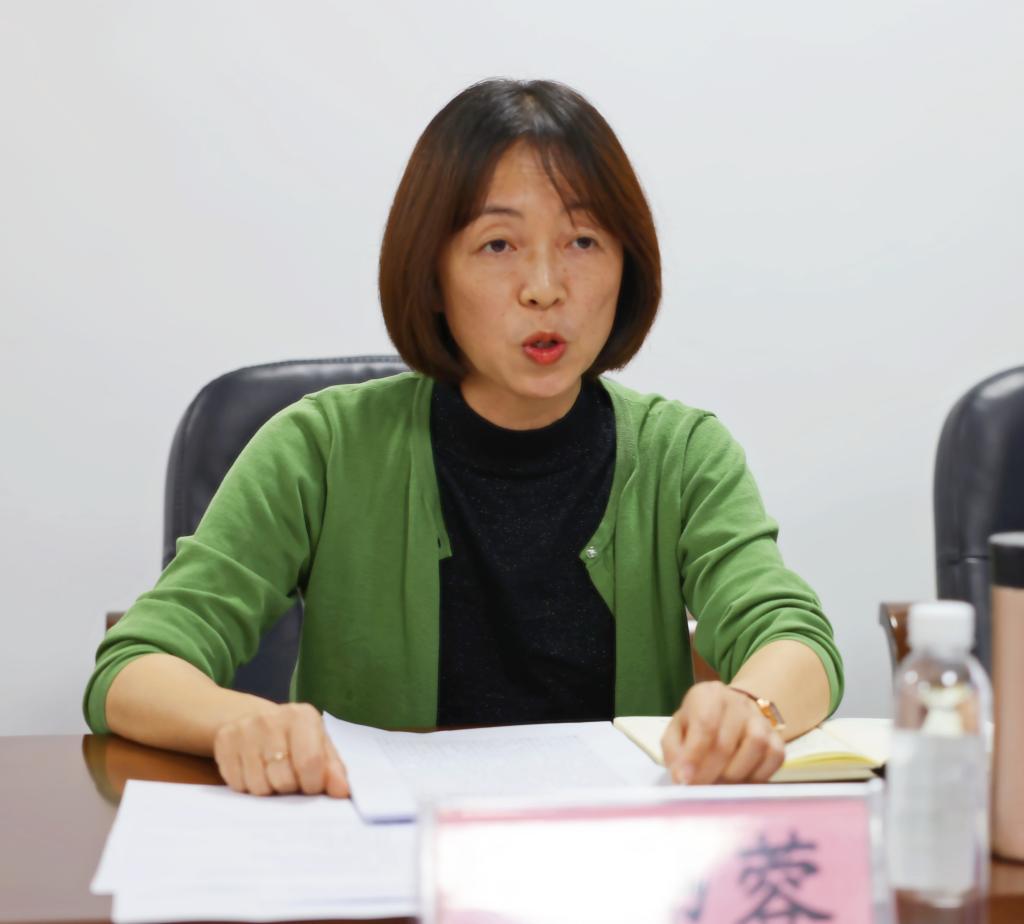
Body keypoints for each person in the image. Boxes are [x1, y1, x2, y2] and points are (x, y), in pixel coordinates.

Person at [83, 78, 843, 798]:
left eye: (583, 241)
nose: (544, 288)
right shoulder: (319, 448)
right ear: (432, 275)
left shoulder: (684, 455)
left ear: (627, 267)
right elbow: (134, 665)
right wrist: (237, 720)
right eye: (497, 244)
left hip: (616, 854)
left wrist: (750, 708)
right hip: (384, 851)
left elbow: (794, 637)